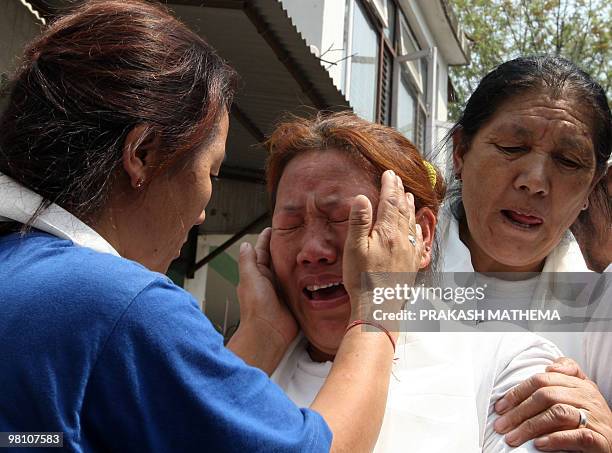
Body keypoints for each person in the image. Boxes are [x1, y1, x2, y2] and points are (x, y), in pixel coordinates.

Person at [0, 1, 422, 451]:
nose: (204, 212)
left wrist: (263, 335)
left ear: (424, 231)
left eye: (342, 218)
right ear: (142, 153)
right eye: (211, 173)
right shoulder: (121, 306)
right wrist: (379, 307)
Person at [263, 111, 569, 452]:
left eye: (346, 218)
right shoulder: (245, 367)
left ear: (421, 235)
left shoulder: (508, 366)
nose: (313, 250)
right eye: (290, 224)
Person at [439, 55, 612, 451]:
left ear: (592, 185)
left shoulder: (602, 314)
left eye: (568, 161)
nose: (535, 182)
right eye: (513, 147)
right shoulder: (378, 276)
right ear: (461, 152)